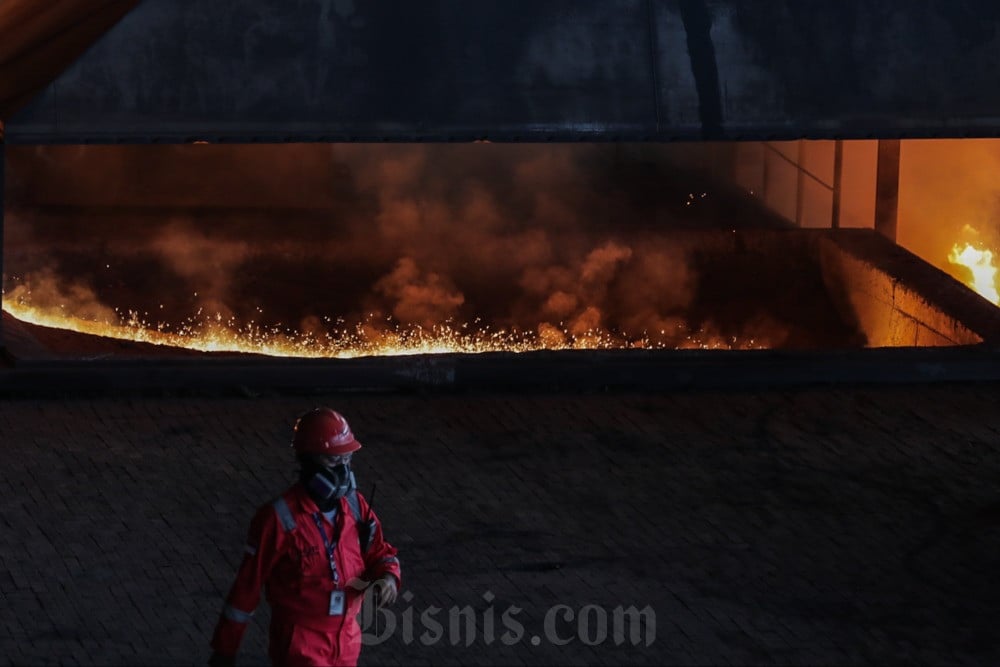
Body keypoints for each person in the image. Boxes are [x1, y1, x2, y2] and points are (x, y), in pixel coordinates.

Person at [209, 408, 401, 666]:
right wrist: (225, 650)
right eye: (334, 462)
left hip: (346, 642)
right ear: (309, 462)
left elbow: (381, 552)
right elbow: (247, 588)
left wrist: (387, 577)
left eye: (347, 461)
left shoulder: (356, 507)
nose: (343, 472)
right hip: (300, 646)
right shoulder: (279, 519)